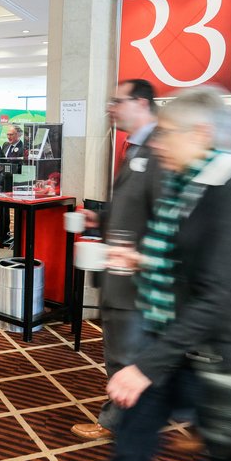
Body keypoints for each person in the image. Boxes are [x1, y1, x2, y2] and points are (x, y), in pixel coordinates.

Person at [105, 87, 231, 461]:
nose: (157, 143)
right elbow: (187, 259)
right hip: (166, 342)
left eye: (166, 133)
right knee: (128, 454)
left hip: (210, 356)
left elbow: (216, 296)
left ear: (200, 133)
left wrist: (145, 368)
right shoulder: (185, 184)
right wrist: (145, 259)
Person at [71, 79, 162, 441]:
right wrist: (101, 217)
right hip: (121, 271)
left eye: (117, 101)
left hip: (135, 274)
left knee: (125, 354)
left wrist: (141, 256)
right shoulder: (135, 148)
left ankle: (116, 422)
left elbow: (165, 217)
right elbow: (133, 207)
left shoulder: (159, 150)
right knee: (126, 351)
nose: (111, 108)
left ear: (140, 103)